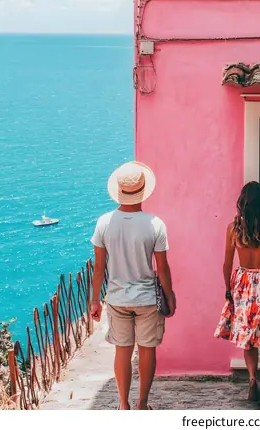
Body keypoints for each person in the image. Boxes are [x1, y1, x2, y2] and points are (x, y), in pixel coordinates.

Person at [90, 161, 175, 410]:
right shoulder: (155, 224)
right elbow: (163, 267)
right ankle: (142, 405)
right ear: (143, 189)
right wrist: (169, 296)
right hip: (147, 298)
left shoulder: (104, 223)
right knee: (147, 351)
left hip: (117, 298)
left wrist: (95, 300)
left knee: (122, 352)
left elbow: (99, 267)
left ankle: (123, 405)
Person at [214, 181, 260, 410]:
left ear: (242, 204)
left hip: (243, 286)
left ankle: (252, 380)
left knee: (248, 341)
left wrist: (228, 289)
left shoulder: (233, 229)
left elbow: (227, 264)